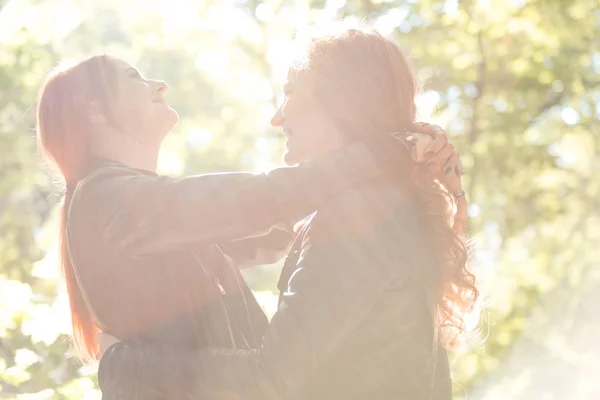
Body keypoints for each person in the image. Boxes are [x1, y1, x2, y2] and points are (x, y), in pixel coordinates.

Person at [36, 51, 456, 394]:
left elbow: (269, 228)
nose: (159, 85)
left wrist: (384, 189)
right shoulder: (106, 198)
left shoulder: (139, 209)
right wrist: (386, 154)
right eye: (133, 77)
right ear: (93, 112)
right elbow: (260, 200)